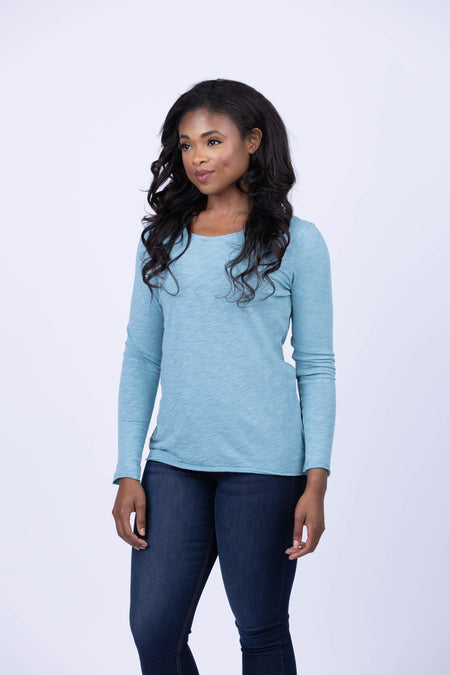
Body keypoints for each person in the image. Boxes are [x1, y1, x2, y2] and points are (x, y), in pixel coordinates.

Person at [111, 78, 336, 675]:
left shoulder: (296, 241)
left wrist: (316, 481)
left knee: (260, 631)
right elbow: (141, 358)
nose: (198, 158)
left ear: (253, 141)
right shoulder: (161, 240)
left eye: (213, 141)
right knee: (153, 629)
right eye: (186, 145)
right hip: (175, 462)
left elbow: (316, 365)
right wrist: (128, 469)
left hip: (265, 466)